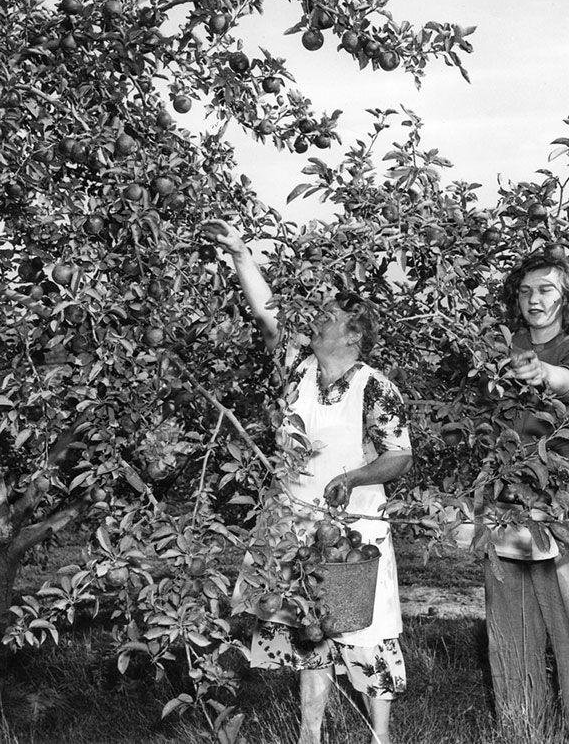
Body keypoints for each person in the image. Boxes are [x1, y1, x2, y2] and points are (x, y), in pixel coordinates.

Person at [200, 219, 412, 744]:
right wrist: (241, 256)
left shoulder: (375, 388)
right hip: (293, 522)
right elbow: (270, 317)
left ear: (354, 333)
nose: (315, 321)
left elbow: (400, 455)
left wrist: (355, 475)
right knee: (307, 631)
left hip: (351, 533)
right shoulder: (297, 371)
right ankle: (310, 734)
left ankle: (380, 737)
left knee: (363, 632)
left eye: (329, 317)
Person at [483, 250, 569, 744]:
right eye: (525, 290)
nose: (534, 298)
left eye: (546, 289)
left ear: (567, 298)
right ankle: (524, 727)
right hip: (507, 499)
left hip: (563, 501)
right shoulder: (503, 344)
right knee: (512, 620)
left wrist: (540, 372)